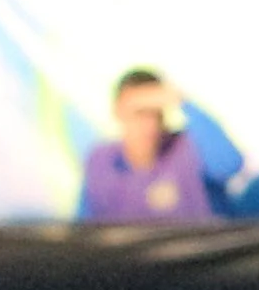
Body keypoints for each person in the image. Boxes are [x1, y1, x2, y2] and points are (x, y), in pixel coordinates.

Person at [80, 68, 246, 221]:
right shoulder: (101, 161)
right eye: (140, 113)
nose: (149, 124)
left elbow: (230, 164)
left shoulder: (189, 147)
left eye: (156, 113)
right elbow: (83, 227)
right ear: (118, 112)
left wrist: (182, 101)